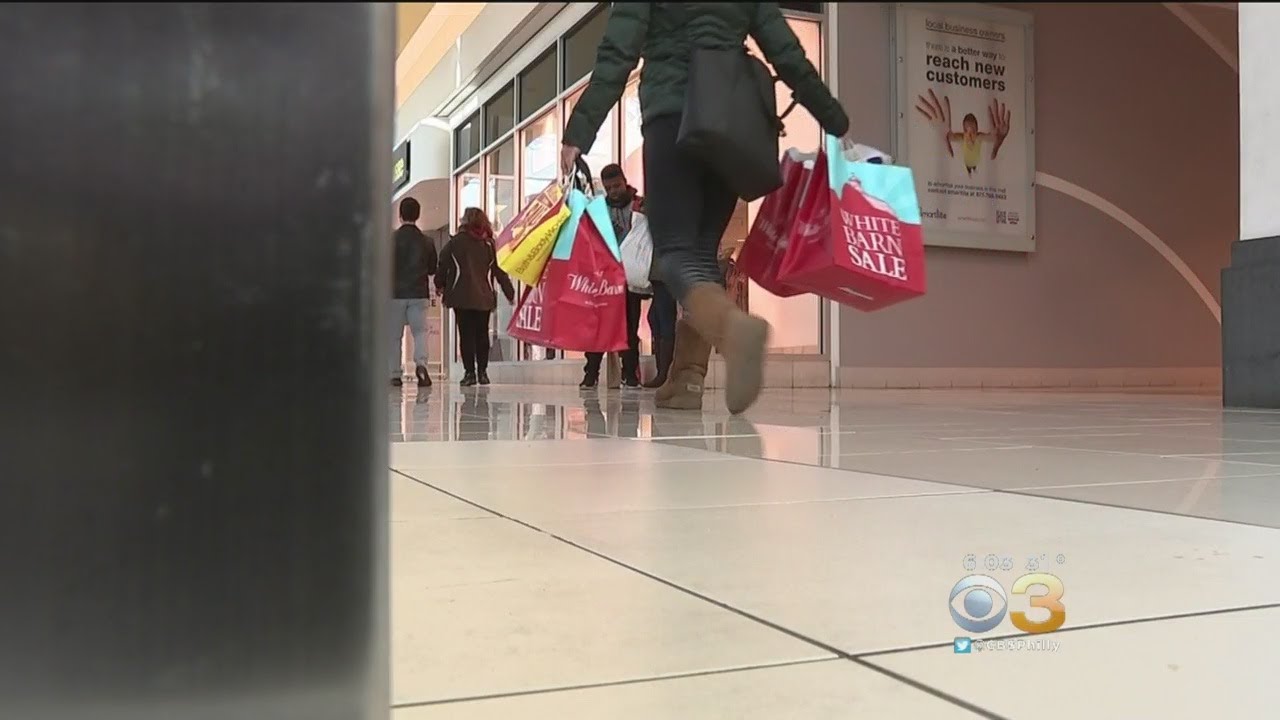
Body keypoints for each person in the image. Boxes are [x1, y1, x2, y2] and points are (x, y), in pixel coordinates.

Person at [560, 3, 850, 414]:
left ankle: (734, 331)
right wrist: (833, 118)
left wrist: (579, 132)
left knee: (676, 251)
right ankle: (687, 380)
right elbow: (786, 54)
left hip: (671, 115)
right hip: (728, 119)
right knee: (701, 255)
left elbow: (618, 53)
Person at [581, 163, 646, 389]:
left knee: (629, 327)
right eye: (609, 188)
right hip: (604, 278)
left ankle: (630, 373)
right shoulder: (598, 210)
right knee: (598, 327)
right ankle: (591, 373)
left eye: (617, 186)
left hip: (630, 277)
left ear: (624, 181)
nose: (614, 191)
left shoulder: (639, 205)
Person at [437, 207, 515, 388]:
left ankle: (469, 373)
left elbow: (443, 264)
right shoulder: (488, 244)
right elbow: (499, 271)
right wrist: (509, 292)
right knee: (482, 335)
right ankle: (483, 372)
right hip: (484, 297)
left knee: (466, 335)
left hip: (461, 296)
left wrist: (440, 285)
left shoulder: (455, 242)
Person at [390, 197, 438, 388]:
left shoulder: (389, 240)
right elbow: (433, 268)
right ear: (417, 215)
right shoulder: (427, 241)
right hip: (419, 293)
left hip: (394, 294)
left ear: (400, 215)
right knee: (419, 333)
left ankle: (394, 374)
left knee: (394, 336)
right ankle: (421, 365)